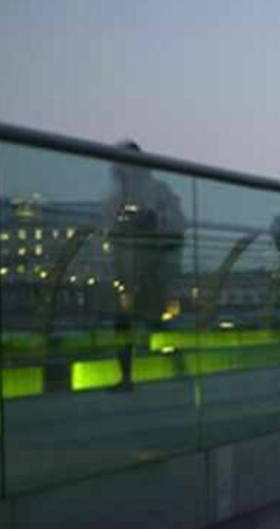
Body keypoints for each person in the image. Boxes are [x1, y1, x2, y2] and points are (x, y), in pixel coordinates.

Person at [103, 141, 187, 392]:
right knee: (129, 323)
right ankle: (134, 375)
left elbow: (178, 224)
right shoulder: (114, 198)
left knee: (151, 322)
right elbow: (110, 233)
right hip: (127, 272)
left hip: (153, 269)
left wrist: (152, 220)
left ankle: (176, 371)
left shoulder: (159, 191)